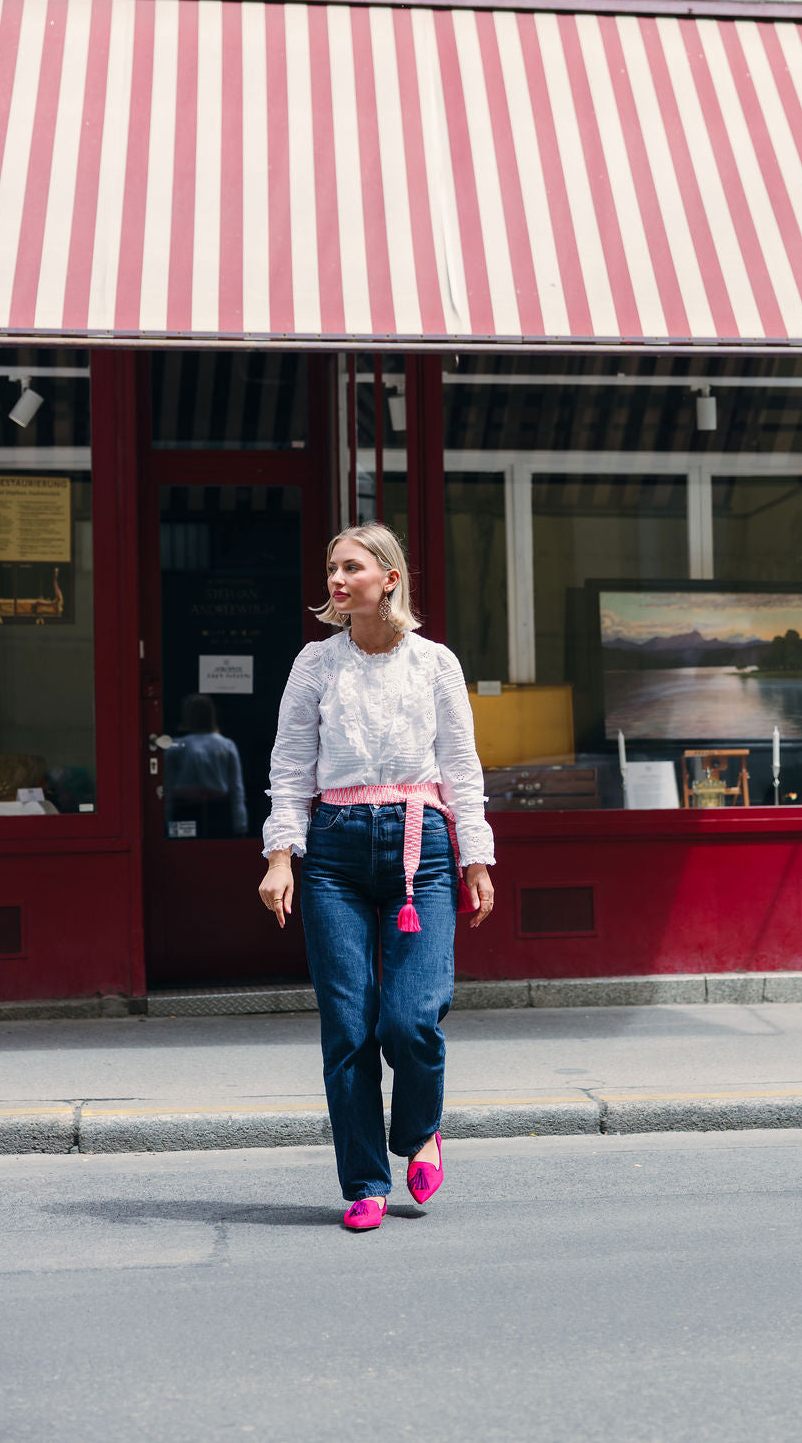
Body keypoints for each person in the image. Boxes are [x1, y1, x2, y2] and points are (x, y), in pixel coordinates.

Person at [258, 522, 495, 1232]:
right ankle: (364, 1180)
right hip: (334, 851)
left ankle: (420, 1128)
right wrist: (280, 856)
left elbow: (462, 767)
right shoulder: (315, 664)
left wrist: (475, 856)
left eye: (351, 566)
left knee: (412, 1017)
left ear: (388, 577)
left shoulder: (435, 664)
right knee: (348, 1027)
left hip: (419, 845)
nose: (336, 578)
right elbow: (290, 765)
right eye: (332, 567)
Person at [164, 693, 248, 838]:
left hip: (187, 809)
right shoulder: (226, 745)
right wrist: (240, 825)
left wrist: (165, 821)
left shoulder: (176, 746)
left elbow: (167, 787)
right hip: (211, 810)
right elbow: (236, 788)